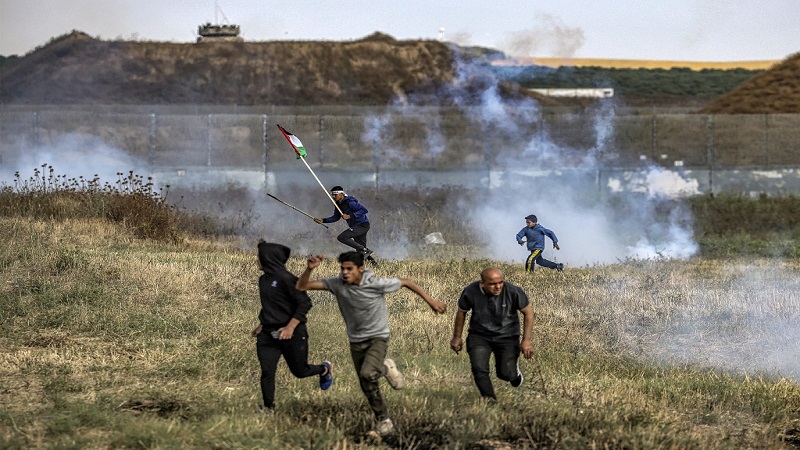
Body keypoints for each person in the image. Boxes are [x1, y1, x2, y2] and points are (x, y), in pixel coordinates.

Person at [296, 251, 447, 437]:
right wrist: (309, 269)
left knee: (367, 373)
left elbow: (406, 282)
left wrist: (431, 301)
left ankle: (384, 368)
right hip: (355, 340)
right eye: (342, 268)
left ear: (361, 268)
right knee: (366, 383)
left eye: (349, 269)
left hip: (377, 337)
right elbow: (302, 286)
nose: (345, 272)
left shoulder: (375, 283)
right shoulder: (336, 284)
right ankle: (384, 420)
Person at [251, 241, 333, 414]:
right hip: (268, 334)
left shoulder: (287, 279)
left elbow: (305, 303)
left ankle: (324, 369)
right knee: (267, 371)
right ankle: (268, 407)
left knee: (300, 371)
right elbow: (272, 305)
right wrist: (262, 324)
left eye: (259, 256)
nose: (257, 260)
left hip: (293, 333)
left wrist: (290, 328)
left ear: (268, 258)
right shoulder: (263, 280)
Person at [450, 267, 535, 401]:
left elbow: (528, 312)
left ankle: (514, 373)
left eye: (500, 282)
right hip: (479, 336)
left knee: (505, 373)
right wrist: (457, 337)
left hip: (507, 336)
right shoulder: (471, 291)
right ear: (482, 283)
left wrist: (526, 340)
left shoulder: (513, 291)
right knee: (479, 369)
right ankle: (490, 400)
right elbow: (461, 312)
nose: (498, 287)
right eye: (492, 284)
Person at [314, 185, 375, 261]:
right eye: (332, 195)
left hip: (362, 225)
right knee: (361, 252)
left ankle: (365, 249)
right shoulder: (338, 205)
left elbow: (364, 210)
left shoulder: (350, 202)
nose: (333, 197)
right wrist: (323, 220)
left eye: (335, 195)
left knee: (342, 237)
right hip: (355, 226)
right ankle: (374, 264)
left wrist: (350, 216)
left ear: (341, 194)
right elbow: (336, 217)